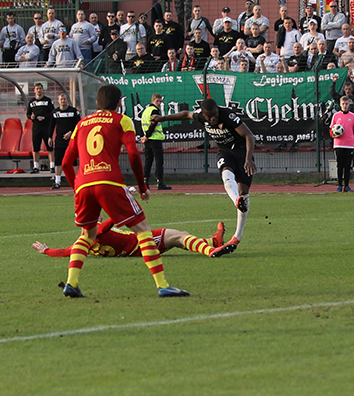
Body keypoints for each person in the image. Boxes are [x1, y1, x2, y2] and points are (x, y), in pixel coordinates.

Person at [59, 84, 188, 298]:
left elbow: (65, 163)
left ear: (97, 103)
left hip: (83, 184)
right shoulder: (122, 120)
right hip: (108, 181)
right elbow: (134, 154)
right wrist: (142, 187)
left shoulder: (81, 123)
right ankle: (163, 285)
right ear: (119, 103)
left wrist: (77, 189)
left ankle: (71, 283)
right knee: (143, 229)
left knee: (88, 234)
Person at [154, 99, 257, 257]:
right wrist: (162, 119)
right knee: (226, 174)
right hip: (225, 151)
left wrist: (248, 159)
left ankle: (237, 235)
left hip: (242, 152)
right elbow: (185, 114)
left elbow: (249, 135)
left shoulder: (228, 115)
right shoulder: (200, 116)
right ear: (204, 114)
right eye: (209, 116)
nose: (213, 118)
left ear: (218, 110)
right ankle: (236, 200)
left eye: (215, 115)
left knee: (244, 192)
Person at [34, 217, 224, 260]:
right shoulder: (97, 231)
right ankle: (211, 250)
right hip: (142, 242)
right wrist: (118, 211)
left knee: (176, 240)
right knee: (181, 235)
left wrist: (46, 250)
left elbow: (64, 252)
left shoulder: (82, 243)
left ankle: (213, 242)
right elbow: (106, 225)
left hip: (136, 251)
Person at [141, 93, 171, 191]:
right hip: (155, 139)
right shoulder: (154, 110)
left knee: (148, 161)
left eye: (160, 101)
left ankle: (145, 182)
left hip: (148, 140)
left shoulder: (145, 111)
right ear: (153, 100)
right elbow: (153, 124)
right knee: (159, 161)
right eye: (157, 101)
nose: (159, 103)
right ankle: (160, 182)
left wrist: (145, 136)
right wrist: (147, 135)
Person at [329, 96, 354, 192]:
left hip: (349, 144)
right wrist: (334, 135)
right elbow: (331, 129)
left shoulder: (353, 116)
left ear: (349, 105)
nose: (345, 106)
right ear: (340, 104)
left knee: (347, 166)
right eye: (343, 104)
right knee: (340, 165)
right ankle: (339, 185)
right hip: (339, 144)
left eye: (346, 104)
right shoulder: (336, 116)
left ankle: (346, 185)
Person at [51, 92, 80, 190]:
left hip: (71, 140)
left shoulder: (73, 111)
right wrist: (49, 137)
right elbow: (51, 125)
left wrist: (71, 133)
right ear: (58, 101)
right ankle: (57, 181)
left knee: (73, 161)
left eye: (64, 99)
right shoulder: (55, 112)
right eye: (61, 99)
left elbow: (78, 124)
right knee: (58, 161)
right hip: (59, 139)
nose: (63, 101)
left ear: (67, 100)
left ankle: (77, 181)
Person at [26, 82, 54, 173]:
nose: (39, 90)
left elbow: (52, 113)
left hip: (46, 127)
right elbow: (28, 114)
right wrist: (31, 117)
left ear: (43, 90)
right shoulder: (32, 102)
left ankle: (52, 166)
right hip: (36, 127)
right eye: (37, 89)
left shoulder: (47, 101)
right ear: (34, 90)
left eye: (40, 89)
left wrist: (44, 117)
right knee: (36, 147)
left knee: (49, 147)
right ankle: (36, 167)